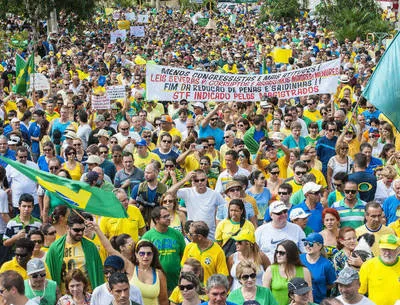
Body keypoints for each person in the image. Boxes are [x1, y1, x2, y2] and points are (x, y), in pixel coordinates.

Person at [46, 212, 104, 289]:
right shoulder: (55, 248)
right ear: (67, 228)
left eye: (82, 229)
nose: (80, 233)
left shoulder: (90, 246)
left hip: (87, 294)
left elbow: (98, 272)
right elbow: (49, 273)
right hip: (65, 295)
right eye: (76, 230)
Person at [169, 170, 225, 239]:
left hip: (210, 236)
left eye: (202, 180)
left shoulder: (215, 194)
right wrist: (185, 179)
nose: (200, 182)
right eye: (196, 181)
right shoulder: (188, 192)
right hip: (193, 236)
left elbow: (224, 210)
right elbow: (169, 193)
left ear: (206, 179)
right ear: (193, 182)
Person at [142, 206, 186, 293]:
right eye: (165, 217)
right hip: (155, 283)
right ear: (156, 220)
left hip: (176, 283)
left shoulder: (177, 234)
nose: (168, 218)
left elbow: (184, 255)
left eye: (168, 215)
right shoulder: (148, 237)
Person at [263, 240, 312, 305]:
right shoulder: (270, 270)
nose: (278, 255)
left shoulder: (304, 271)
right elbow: (265, 298)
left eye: (281, 253)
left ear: (291, 254)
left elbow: (309, 297)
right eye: (276, 252)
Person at [359, 234, 400, 305]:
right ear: (379, 249)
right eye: (384, 249)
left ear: (398, 250)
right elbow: (360, 293)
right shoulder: (368, 265)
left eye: (391, 249)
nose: (387, 253)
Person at [300, 233, 336, 303]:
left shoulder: (326, 264)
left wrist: (321, 288)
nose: (307, 246)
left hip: (318, 301)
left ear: (320, 246)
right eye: (305, 243)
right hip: (300, 301)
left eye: (310, 244)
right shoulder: (299, 258)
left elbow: (332, 283)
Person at [129, 240, 168, 305]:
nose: (145, 256)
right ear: (136, 255)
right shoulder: (130, 270)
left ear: (153, 255)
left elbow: (163, 300)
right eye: (142, 253)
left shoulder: (159, 274)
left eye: (149, 253)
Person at [6, 147, 40, 217]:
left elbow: (38, 182)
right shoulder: (10, 166)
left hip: (34, 201)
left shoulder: (33, 165)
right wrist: (9, 201)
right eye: (21, 157)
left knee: (35, 223)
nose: (24, 159)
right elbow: (5, 181)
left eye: (25, 157)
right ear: (16, 157)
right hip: (17, 202)